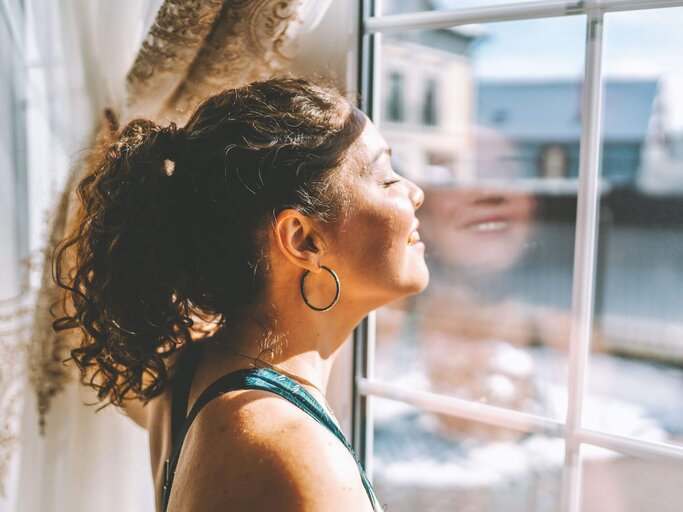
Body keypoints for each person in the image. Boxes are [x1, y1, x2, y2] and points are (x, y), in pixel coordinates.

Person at [52, 77, 428, 512]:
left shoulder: (188, 370)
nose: (415, 192)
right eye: (386, 179)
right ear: (303, 239)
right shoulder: (288, 451)